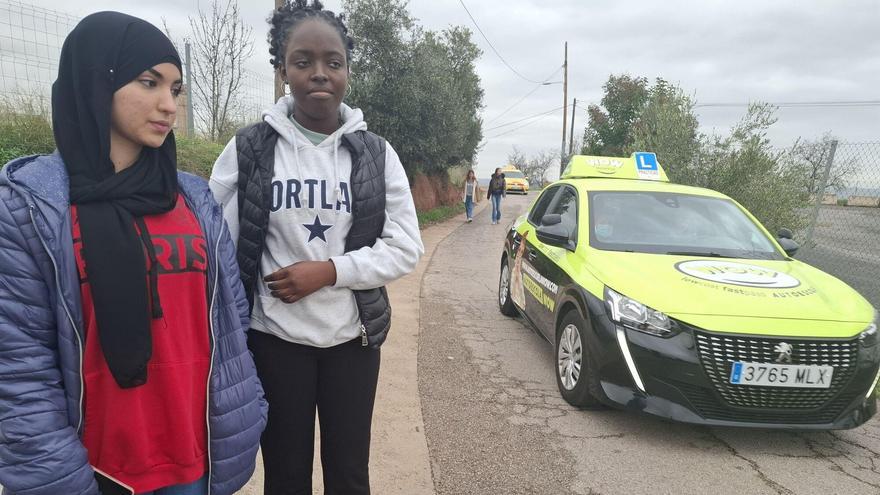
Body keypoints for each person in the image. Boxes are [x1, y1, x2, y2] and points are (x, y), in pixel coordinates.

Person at [0, 12, 266, 495]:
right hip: (94, 472)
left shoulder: (195, 199)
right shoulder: (29, 209)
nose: (169, 105)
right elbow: (19, 371)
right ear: (96, 81)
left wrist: (249, 412)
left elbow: (231, 324)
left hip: (196, 461)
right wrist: (60, 480)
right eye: (149, 82)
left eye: (176, 89)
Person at [208, 1, 424, 493]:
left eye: (333, 61)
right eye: (302, 62)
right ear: (282, 70)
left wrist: (329, 271)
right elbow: (212, 239)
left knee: (349, 473)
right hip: (273, 339)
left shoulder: (375, 153)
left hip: (352, 341)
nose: (319, 73)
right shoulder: (250, 149)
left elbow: (406, 246)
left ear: (347, 69)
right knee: (285, 475)